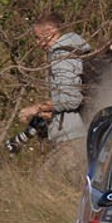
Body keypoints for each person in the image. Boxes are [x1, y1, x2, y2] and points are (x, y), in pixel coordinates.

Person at [19, 12, 91, 145]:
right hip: (83, 129)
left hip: (73, 137)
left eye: (38, 37)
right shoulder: (75, 50)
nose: (37, 43)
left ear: (50, 32)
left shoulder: (62, 55)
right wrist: (49, 112)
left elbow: (70, 99)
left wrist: (37, 108)